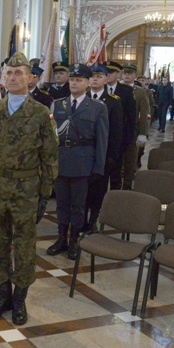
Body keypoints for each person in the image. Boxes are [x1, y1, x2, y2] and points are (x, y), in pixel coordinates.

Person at [0, 52, 58, 326]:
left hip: (26, 188)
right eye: (8, 73)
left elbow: (49, 159)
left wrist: (44, 195)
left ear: (30, 78)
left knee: (24, 246)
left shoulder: (40, 114)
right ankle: (3, 294)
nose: (13, 78)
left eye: (19, 73)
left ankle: (20, 298)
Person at [48, 63, 108, 260]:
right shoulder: (58, 104)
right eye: (72, 79)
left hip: (83, 162)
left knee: (78, 205)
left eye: (79, 80)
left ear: (87, 83)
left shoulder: (98, 108)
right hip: (61, 160)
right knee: (61, 203)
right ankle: (61, 238)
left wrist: (98, 167)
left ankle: (74, 240)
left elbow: (101, 139)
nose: (74, 83)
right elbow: (51, 136)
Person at [83, 64, 123, 232]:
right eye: (92, 76)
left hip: (103, 154)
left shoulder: (113, 102)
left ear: (106, 79)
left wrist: (112, 156)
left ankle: (93, 220)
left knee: (98, 189)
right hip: (84, 153)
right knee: (83, 189)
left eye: (99, 76)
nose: (95, 79)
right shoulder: (82, 98)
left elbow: (116, 131)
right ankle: (81, 219)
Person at [105, 61, 134, 189]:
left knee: (116, 172)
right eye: (105, 72)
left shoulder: (126, 91)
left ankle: (115, 199)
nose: (107, 75)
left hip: (118, 138)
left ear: (117, 74)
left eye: (110, 73)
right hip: (101, 136)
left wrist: (127, 139)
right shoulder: (99, 90)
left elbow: (131, 117)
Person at [119, 64, 149, 189]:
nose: (127, 75)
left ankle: (127, 186)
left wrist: (143, 133)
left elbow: (144, 113)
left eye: (130, 73)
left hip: (133, 130)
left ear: (135, 75)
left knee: (130, 160)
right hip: (118, 130)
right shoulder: (116, 89)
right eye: (125, 73)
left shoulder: (140, 92)